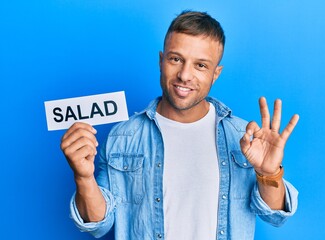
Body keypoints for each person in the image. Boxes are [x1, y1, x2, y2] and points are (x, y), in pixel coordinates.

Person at [61, 10, 299, 240]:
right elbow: (98, 225)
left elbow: (274, 216)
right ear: (161, 61)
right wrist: (83, 178)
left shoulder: (244, 137)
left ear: (216, 74)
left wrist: (269, 174)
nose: (185, 75)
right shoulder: (123, 136)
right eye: (176, 59)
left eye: (201, 65)